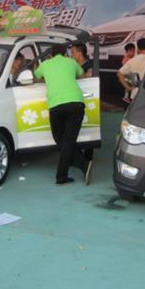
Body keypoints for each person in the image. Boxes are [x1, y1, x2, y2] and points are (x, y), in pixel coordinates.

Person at [34, 43, 88, 185]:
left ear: (51, 55)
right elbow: (82, 75)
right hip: (76, 103)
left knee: (59, 138)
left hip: (56, 106)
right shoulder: (71, 62)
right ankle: (83, 164)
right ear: (65, 53)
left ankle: (61, 176)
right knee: (67, 141)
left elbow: (36, 77)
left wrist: (48, 78)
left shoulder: (45, 64)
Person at [70, 42, 94, 184]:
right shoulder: (72, 65)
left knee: (89, 126)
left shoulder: (89, 65)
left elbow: (89, 78)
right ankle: (78, 157)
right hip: (76, 99)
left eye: (73, 52)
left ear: (79, 53)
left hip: (88, 99)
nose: (71, 55)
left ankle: (88, 157)